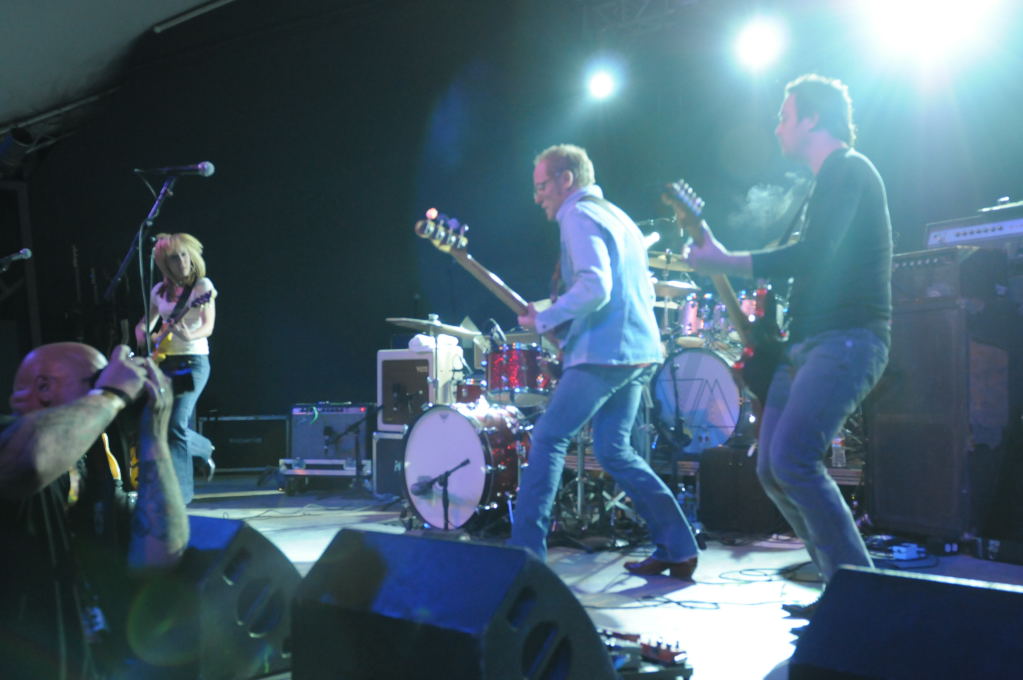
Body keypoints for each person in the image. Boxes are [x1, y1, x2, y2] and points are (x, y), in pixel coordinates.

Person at [684, 74, 892, 615]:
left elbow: (815, 254)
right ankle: (838, 587)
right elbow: (806, 263)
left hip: (847, 338)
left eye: (784, 115)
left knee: (794, 459)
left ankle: (860, 600)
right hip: (807, 342)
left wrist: (727, 261)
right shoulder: (820, 186)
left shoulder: (849, 169)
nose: (776, 126)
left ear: (812, 119)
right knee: (771, 468)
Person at [509, 144, 700, 579]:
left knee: (548, 438)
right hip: (636, 350)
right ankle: (677, 546)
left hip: (605, 352)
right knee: (613, 450)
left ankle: (525, 558)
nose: (537, 197)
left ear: (566, 180)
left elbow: (596, 286)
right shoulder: (618, 217)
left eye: (542, 186)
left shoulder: (578, 214)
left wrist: (545, 319)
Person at [0, 342, 189, 679]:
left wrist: (154, 436)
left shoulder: (89, 466)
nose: (125, 389)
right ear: (44, 388)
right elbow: (30, 464)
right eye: (99, 378)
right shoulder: (11, 441)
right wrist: (111, 394)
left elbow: (158, 556)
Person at [135, 232, 217, 504]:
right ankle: (203, 447)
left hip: (193, 362)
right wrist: (144, 336)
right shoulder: (159, 291)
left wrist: (188, 334)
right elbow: (144, 324)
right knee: (157, 424)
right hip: (164, 362)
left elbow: (208, 326)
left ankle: (180, 497)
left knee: (175, 423)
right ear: (164, 262)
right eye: (174, 257)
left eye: (184, 255)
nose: (181, 261)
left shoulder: (202, 287)